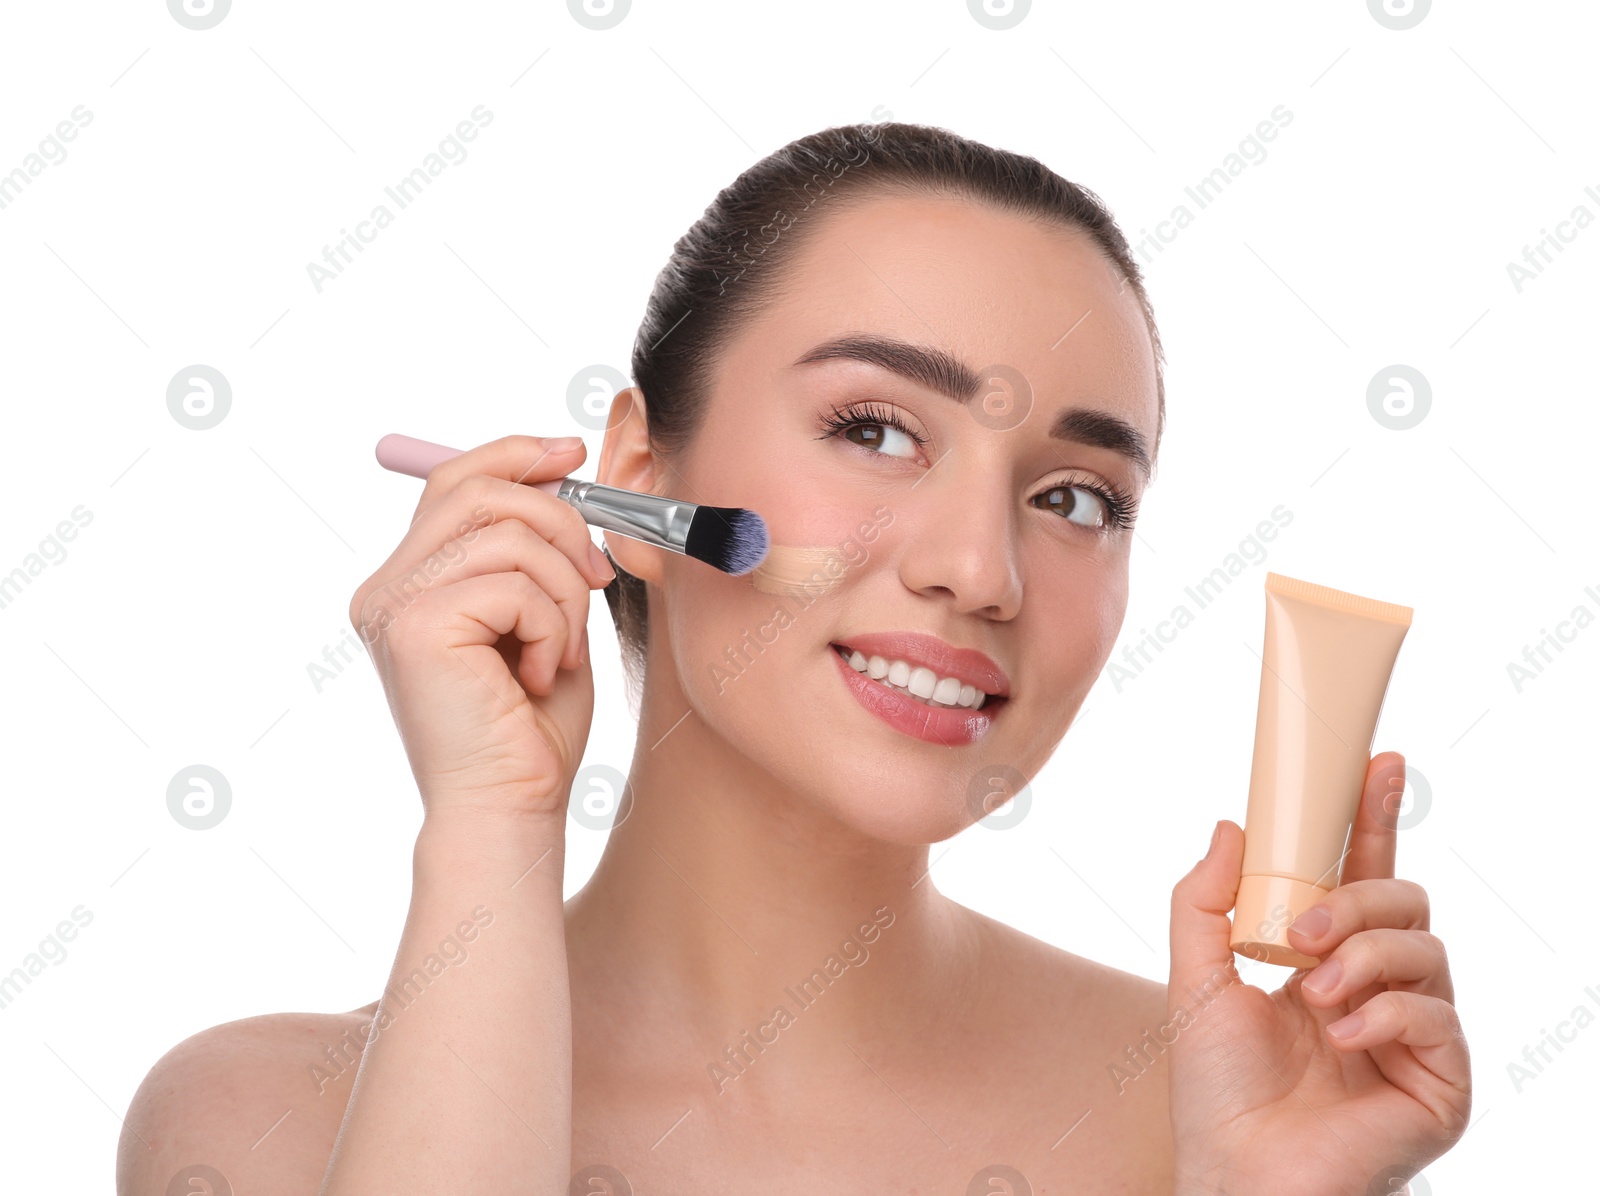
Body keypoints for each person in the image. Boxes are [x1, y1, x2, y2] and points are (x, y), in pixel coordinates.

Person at [118, 121, 1469, 1194]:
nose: (980, 569)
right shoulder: (262, 1128)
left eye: (1076, 499)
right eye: (877, 430)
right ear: (644, 470)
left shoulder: (1213, 1119)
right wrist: (488, 829)